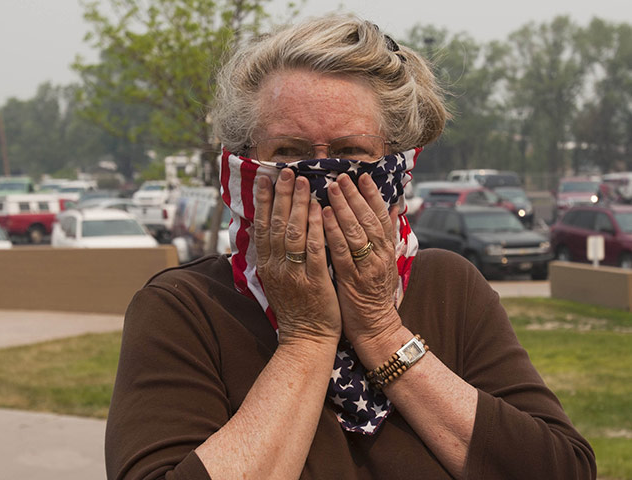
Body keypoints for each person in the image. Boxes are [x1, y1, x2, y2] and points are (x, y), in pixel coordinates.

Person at [105, 15, 596, 480]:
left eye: (350, 153)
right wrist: (307, 338)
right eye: (289, 153)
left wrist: (381, 330)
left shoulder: (450, 286)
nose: (320, 175)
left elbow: (560, 469)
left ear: (395, 165)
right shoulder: (186, 307)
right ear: (245, 161)